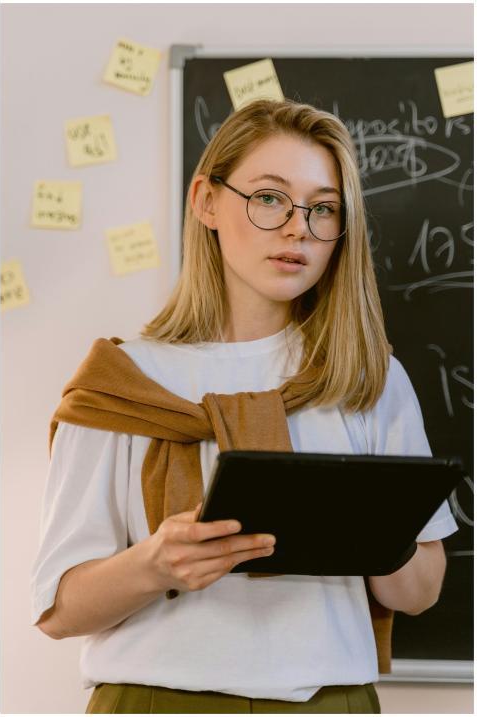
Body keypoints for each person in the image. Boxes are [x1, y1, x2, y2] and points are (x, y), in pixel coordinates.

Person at [31, 99, 458, 714]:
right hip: (153, 701)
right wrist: (156, 564)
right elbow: (59, 609)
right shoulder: (122, 383)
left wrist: (371, 534)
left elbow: (421, 591)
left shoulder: (368, 377)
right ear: (206, 200)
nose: (298, 228)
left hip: (327, 700)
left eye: (324, 208)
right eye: (269, 198)